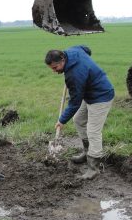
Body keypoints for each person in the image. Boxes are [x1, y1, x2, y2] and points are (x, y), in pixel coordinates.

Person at [45, 45, 114, 180]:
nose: (54, 71)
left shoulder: (74, 75)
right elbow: (86, 49)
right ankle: (87, 151)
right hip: (88, 93)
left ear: (62, 60)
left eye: (55, 68)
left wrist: (61, 120)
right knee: (78, 120)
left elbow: (75, 102)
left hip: (101, 96)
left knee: (93, 131)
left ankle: (94, 167)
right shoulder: (73, 51)